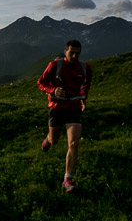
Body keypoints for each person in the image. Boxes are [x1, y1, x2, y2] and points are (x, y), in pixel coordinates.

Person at [37, 40, 92, 192]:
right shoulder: (55, 65)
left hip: (74, 109)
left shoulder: (85, 67)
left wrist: (83, 99)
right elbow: (40, 83)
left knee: (73, 143)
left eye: (77, 53)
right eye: (71, 52)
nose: (74, 55)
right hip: (56, 107)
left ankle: (67, 178)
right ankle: (48, 140)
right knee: (54, 140)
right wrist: (53, 90)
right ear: (65, 51)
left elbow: (86, 84)